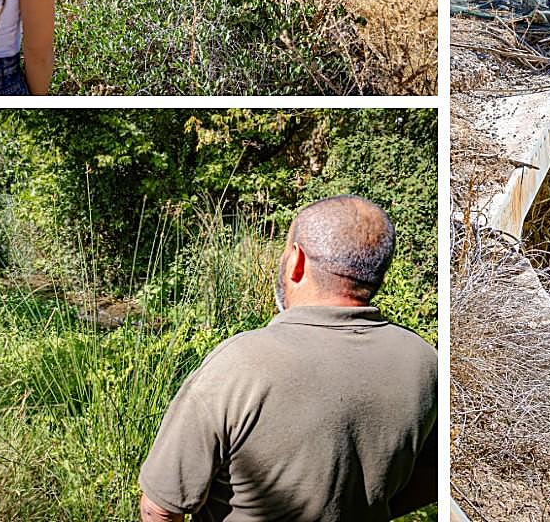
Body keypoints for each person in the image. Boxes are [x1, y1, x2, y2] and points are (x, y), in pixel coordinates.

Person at [138, 195, 438, 522]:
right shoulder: (425, 361)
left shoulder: (238, 364)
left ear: (296, 261)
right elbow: (433, 477)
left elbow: (159, 509)